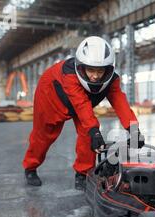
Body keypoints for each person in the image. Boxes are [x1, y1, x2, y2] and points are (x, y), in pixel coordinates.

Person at [22, 36, 144, 190]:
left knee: (88, 135)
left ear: (108, 69)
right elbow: (80, 103)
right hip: (51, 96)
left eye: (100, 71)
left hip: (82, 103)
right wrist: (94, 130)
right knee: (44, 135)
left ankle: (82, 174)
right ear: (80, 66)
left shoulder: (112, 80)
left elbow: (120, 103)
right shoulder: (69, 75)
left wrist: (134, 130)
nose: (95, 76)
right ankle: (30, 168)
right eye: (90, 70)